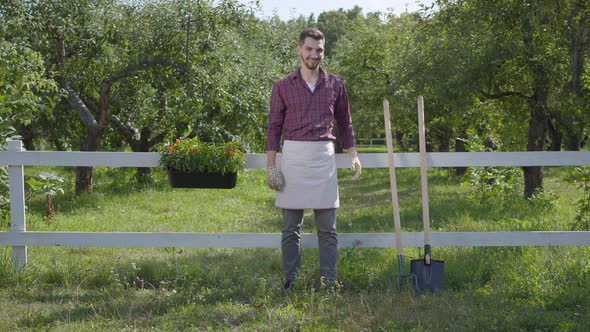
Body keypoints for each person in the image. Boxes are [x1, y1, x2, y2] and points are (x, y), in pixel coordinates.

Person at [265, 27, 362, 291]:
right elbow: (274, 128)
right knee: (290, 228)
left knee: (328, 228)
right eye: (309, 49)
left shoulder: (336, 84)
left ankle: (329, 282)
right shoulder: (282, 86)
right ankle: (290, 282)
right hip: (294, 158)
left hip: (323, 157)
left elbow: (345, 122)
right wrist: (271, 166)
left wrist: (353, 153)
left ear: (323, 52)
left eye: (318, 50)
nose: (314, 54)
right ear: (299, 50)